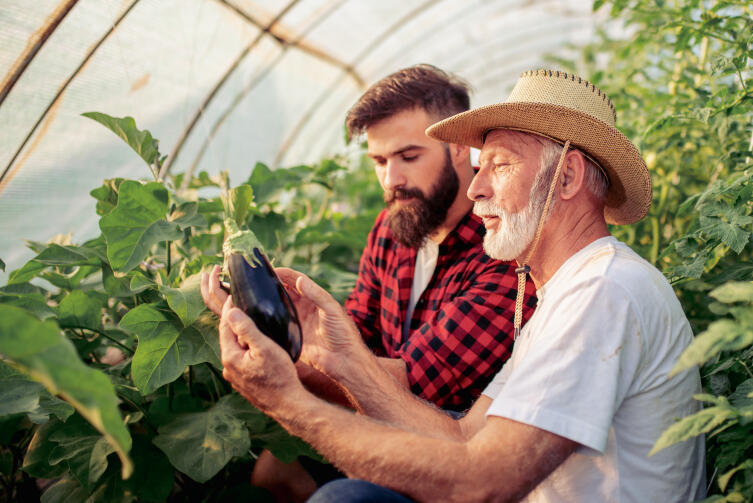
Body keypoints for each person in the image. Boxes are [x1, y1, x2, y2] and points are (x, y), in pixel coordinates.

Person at [209, 69, 707, 501]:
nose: (476, 187)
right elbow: (463, 435)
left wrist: (285, 400)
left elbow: (478, 485)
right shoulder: (564, 291)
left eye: (502, 165)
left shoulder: (602, 291)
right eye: (480, 164)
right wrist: (338, 357)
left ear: (568, 177)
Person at [202, 64, 535, 501]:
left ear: (458, 148)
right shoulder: (395, 226)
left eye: (409, 157)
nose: (391, 180)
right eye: (380, 161)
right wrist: (291, 324)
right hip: (380, 416)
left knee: (343, 498)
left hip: (453, 448)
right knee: (273, 469)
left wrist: (287, 365)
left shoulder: (503, 247)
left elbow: (412, 384)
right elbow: (359, 325)